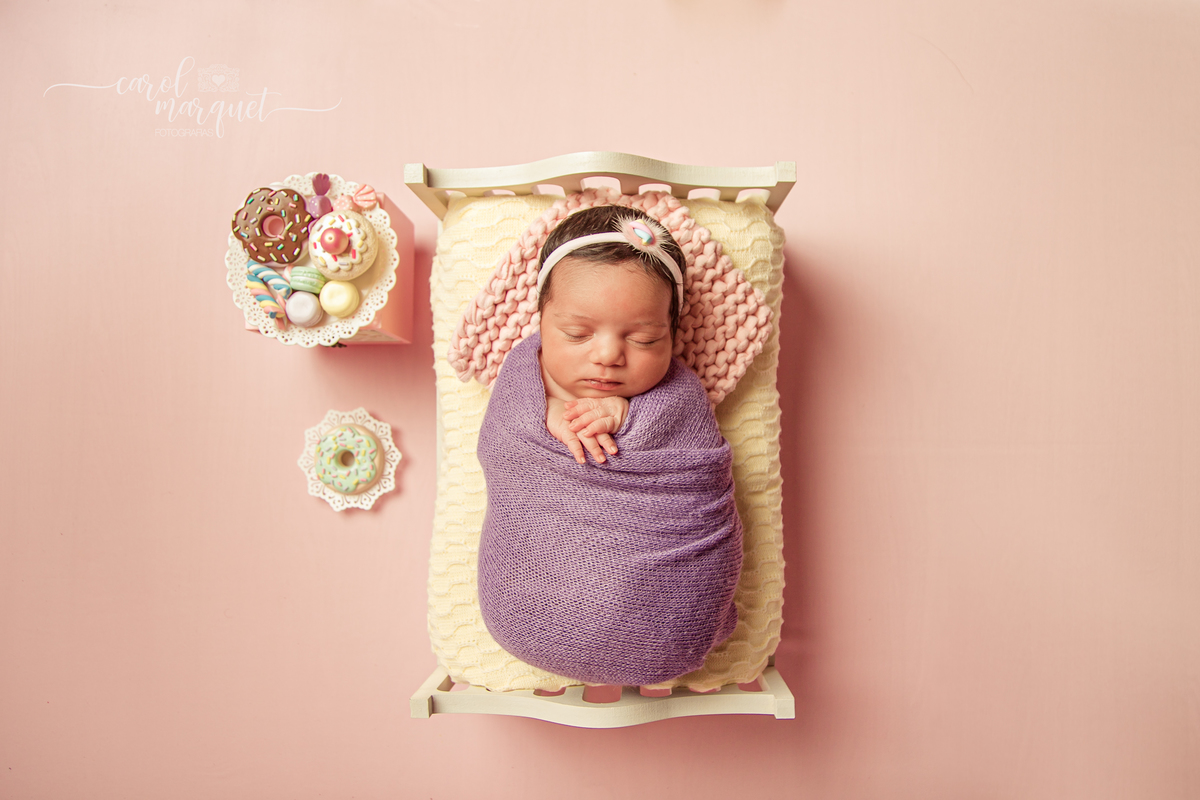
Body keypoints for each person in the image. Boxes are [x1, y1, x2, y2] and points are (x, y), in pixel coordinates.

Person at [475, 205, 743, 688]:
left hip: (670, 613)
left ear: (672, 335)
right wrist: (547, 416)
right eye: (577, 333)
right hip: (525, 610)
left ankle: (681, 625)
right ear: (541, 321)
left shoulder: (678, 394)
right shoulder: (521, 375)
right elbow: (502, 445)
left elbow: (694, 464)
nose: (607, 356)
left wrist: (626, 414)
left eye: (643, 339)